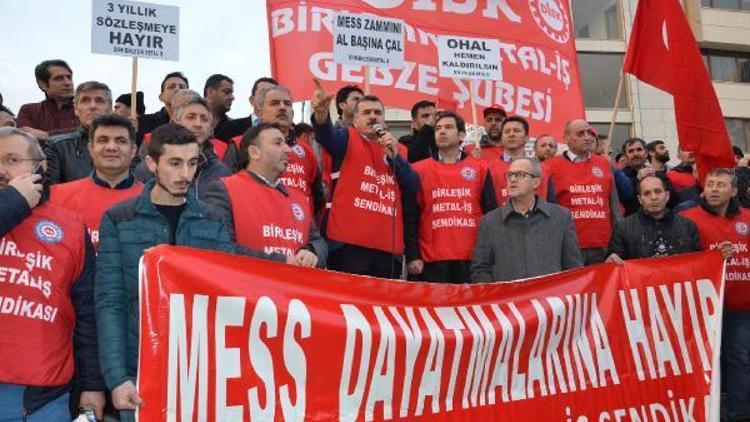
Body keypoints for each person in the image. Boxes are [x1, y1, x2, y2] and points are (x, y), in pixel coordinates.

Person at [95, 123, 253, 422]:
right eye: (175, 163)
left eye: (192, 163)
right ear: (152, 163)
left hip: (201, 371)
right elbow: (110, 302)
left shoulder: (211, 217)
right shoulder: (120, 218)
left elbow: (230, 293)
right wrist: (116, 377)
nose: (184, 174)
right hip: (141, 370)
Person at [0, 127, 105, 420]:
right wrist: (13, 202)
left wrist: (92, 384)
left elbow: (87, 311)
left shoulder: (70, 225)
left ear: (41, 167)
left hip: (46, 399)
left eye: (11, 159)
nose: (1, 170)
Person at [311, 78, 419, 278]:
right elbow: (326, 135)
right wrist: (320, 113)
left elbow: (413, 186)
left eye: (378, 113)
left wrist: (395, 156)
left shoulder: (398, 150)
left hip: (387, 247)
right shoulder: (346, 137)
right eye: (366, 113)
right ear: (355, 120)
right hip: (348, 244)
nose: (373, 117)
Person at [201, 122, 327, 266]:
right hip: (245, 286)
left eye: (285, 143)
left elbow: (318, 241)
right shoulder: (222, 189)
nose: (288, 149)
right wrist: (281, 262)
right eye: (278, 143)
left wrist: (312, 251)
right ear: (254, 152)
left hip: (293, 286)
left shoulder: (299, 198)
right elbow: (218, 246)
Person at [678, 168, 749, 421]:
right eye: (710, 184)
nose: (714, 189)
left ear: (734, 190)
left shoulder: (748, 218)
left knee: (739, 360)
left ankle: (740, 414)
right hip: (702, 308)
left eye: (721, 184)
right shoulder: (686, 218)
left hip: (741, 307)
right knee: (704, 364)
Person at [406, 111, 494, 283]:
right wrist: (412, 255)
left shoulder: (480, 169)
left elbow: (491, 215)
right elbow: (410, 216)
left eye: (448, 127)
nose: (442, 132)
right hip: (431, 259)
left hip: (472, 259)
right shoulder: (418, 170)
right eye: (438, 128)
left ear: (461, 134)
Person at [471, 158, 583, 282]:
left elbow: (574, 268)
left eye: (520, 175)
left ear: (535, 182)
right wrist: (497, 296)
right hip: (508, 299)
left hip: (548, 298)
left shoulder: (560, 217)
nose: (512, 180)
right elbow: (480, 269)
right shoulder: (490, 221)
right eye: (509, 175)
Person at [49, 114, 142, 250]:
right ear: (91, 149)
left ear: (133, 150)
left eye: (121, 141)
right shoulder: (57, 197)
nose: (111, 147)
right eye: (103, 140)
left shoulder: (153, 199)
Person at [233, 85, 324, 213]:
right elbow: (229, 191)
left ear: (292, 113)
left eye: (287, 104)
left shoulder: (307, 151)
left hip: (298, 228)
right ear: (259, 112)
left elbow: (318, 198)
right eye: (274, 103)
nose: (282, 107)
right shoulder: (239, 144)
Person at [545, 119, 621, 265]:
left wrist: (618, 243)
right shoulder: (549, 167)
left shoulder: (604, 164)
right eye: (580, 134)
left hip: (604, 246)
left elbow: (614, 206)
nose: (587, 137)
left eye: (589, 132)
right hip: (569, 246)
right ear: (566, 138)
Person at [134, 90, 231, 190]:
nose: (198, 124)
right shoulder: (150, 169)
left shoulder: (222, 173)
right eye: (191, 117)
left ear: (211, 127)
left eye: (204, 119)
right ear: (176, 121)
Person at [606, 174, 701, 262]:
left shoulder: (688, 226)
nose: (653, 197)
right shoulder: (623, 228)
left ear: (667, 196)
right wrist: (612, 261)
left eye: (658, 191)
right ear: (640, 199)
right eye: (647, 193)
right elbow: (616, 269)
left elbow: (697, 263)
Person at [45, 81, 112, 185]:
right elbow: (51, 192)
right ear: (76, 109)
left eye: (99, 101)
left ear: (109, 109)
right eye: (85, 101)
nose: (92, 106)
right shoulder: (58, 147)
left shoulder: (126, 147)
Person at [485, 116, 552, 206]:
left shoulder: (543, 169)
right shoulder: (489, 168)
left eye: (516, 131)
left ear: (527, 137)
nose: (511, 134)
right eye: (507, 131)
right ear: (501, 138)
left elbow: (551, 205)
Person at [16, 59, 77, 143]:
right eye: (59, 78)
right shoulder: (29, 110)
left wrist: (46, 135)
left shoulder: (86, 109)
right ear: (43, 85)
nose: (67, 83)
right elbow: (24, 139)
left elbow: (90, 133)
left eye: (69, 77)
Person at [136, 71, 188, 141]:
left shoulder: (197, 123)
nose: (177, 89)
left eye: (182, 87)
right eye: (171, 87)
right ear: (161, 97)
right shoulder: (143, 122)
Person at [616, 138, 648, 216]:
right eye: (631, 151)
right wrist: (637, 179)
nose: (635, 154)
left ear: (646, 153)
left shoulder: (657, 174)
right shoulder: (619, 178)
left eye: (639, 149)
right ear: (625, 156)